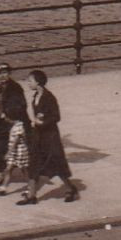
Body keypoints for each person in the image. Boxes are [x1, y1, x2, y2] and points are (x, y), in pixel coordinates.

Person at [17, 70, 78, 204]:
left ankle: (70, 188)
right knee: (33, 164)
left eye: (30, 81)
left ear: (38, 82)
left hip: (50, 137)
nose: (28, 83)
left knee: (57, 165)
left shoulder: (49, 97)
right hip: (38, 136)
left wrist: (42, 122)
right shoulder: (35, 97)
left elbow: (56, 116)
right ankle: (31, 196)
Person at [0, 66, 32, 196]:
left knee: (10, 152)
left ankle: (4, 179)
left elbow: (21, 105)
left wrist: (8, 114)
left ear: (9, 73)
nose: (2, 76)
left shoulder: (15, 87)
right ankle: (1, 176)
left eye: (5, 73)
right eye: (0, 74)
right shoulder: (0, 87)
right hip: (2, 123)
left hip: (13, 122)